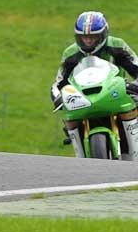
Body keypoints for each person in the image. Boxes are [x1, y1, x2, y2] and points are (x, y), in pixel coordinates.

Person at [51, 11, 138, 160]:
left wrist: (135, 85)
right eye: (84, 37)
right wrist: (58, 97)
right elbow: (58, 83)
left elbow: (136, 67)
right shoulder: (71, 54)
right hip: (83, 99)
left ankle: (133, 153)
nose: (88, 41)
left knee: (133, 105)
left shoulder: (117, 45)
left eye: (93, 37)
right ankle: (80, 156)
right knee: (69, 115)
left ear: (103, 34)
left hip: (117, 95)